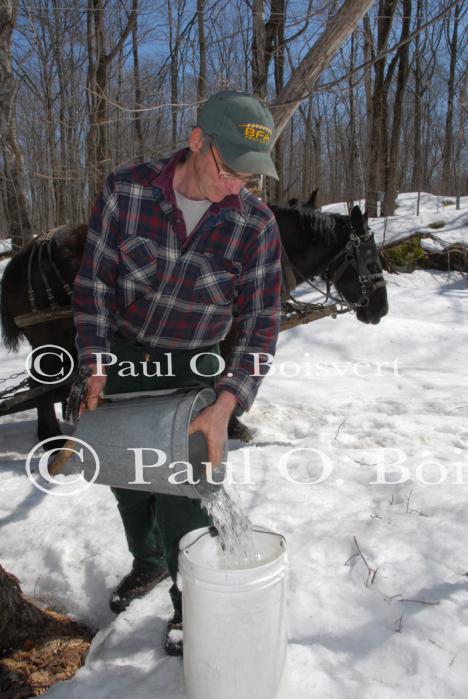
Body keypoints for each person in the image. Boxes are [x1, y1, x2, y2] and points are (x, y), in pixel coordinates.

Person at [72, 89, 282, 654]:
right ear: (198, 142)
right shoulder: (126, 190)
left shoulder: (254, 225)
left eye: (251, 177)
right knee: (126, 478)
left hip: (195, 368)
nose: (239, 185)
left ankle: (193, 602)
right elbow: (93, 284)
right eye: (231, 169)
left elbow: (262, 324)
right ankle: (149, 562)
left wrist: (228, 402)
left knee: (186, 493)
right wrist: (93, 360)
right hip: (122, 359)